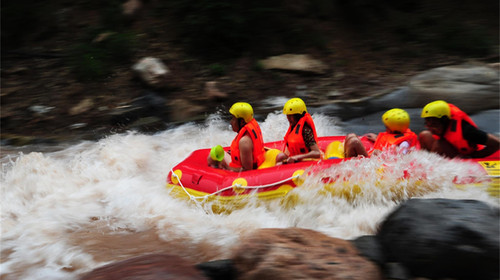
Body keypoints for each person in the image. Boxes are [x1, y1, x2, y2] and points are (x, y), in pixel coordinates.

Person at [419, 100, 500, 158]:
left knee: (440, 145)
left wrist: (474, 157)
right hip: (449, 149)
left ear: (445, 121)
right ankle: (424, 162)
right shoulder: (439, 129)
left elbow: (496, 143)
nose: (431, 129)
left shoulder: (466, 130)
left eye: (434, 125)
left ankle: (429, 166)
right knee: (424, 135)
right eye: (428, 125)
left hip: (462, 156)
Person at [207, 102, 266, 171]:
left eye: (233, 118)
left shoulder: (244, 141)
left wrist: (226, 166)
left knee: (212, 157)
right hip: (249, 163)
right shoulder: (248, 132)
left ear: (242, 122)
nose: (231, 122)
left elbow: (247, 170)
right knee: (214, 155)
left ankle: (215, 172)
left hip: (244, 171)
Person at [343, 108, 419, 158]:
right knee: (351, 136)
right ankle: (345, 159)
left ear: (393, 128)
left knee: (354, 142)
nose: (386, 128)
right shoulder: (396, 133)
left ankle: (346, 169)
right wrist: (377, 139)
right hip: (374, 160)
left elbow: (400, 161)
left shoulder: (404, 144)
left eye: (387, 127)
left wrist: (382, 154)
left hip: (377, 167)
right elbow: (390, 143)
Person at [275, 98, 322, 164]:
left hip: (307, 161)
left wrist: (297, 157)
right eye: (288, 116)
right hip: (295, 160)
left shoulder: (306, 130)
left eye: (291, 116)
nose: (288, 119)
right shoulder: (293, 128)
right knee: (280, 156)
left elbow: (317, 153)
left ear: (298, 116)